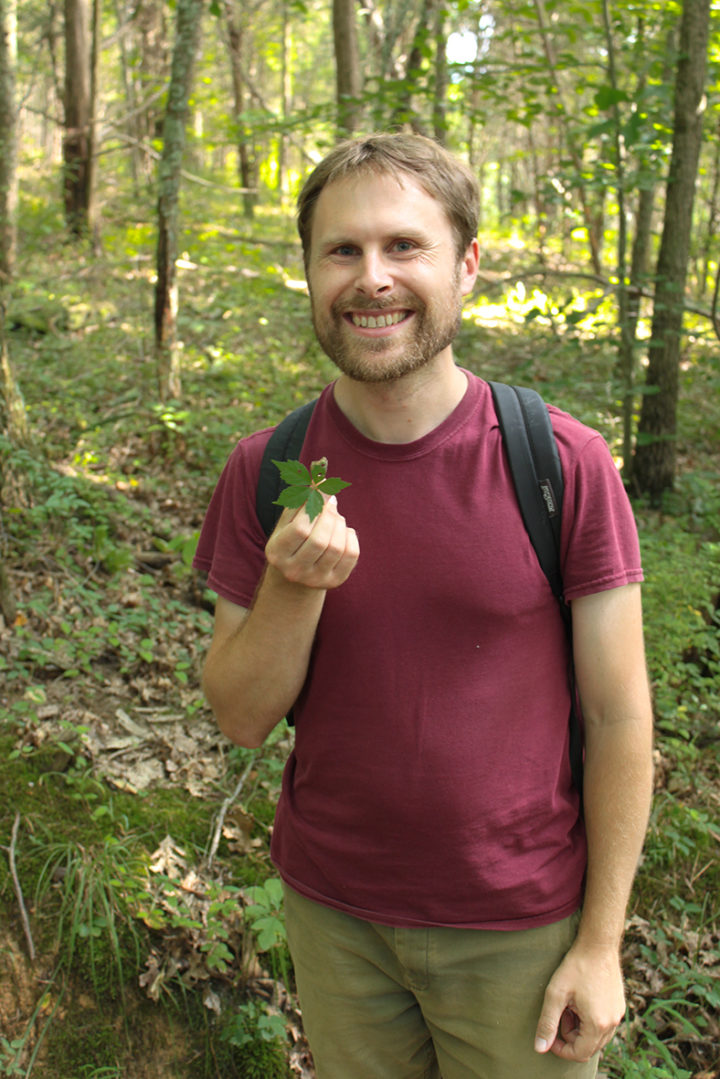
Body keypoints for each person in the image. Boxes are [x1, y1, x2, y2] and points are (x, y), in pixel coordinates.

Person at [193, 132, 654, 1079]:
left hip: (520, 926)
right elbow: (240, 716)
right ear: (310, 272)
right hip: (334, 918)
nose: (373, 278)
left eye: (405, 246)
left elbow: (618, 718)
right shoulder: (266, 468)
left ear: (467, 265)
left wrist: (601, 944)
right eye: (342, 250)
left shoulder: (560, 463)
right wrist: (294, 583)